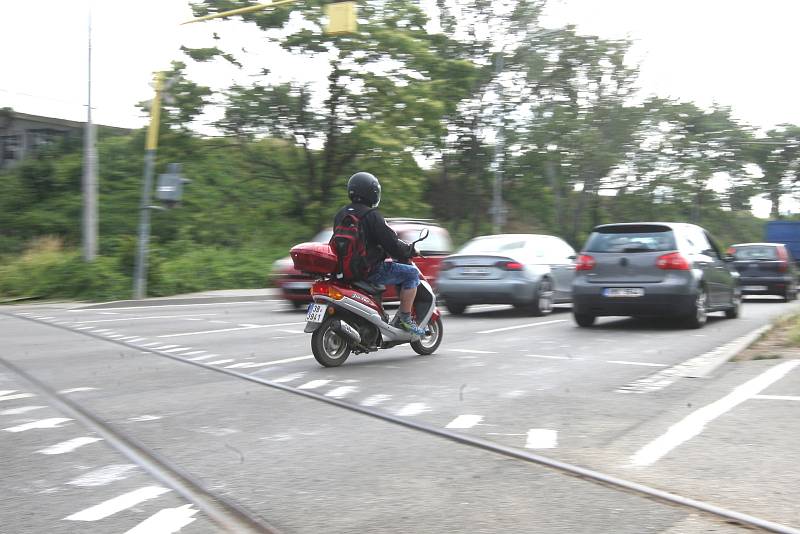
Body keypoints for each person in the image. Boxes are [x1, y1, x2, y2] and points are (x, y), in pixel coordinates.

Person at [333, 172, 426, 337]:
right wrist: (410, 251)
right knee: (411, 274)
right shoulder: (372, 215)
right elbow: (391, 243)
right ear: (372, 192)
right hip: (369, 270)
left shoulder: (341, 214)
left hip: (344, 270)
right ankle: (405, 319)